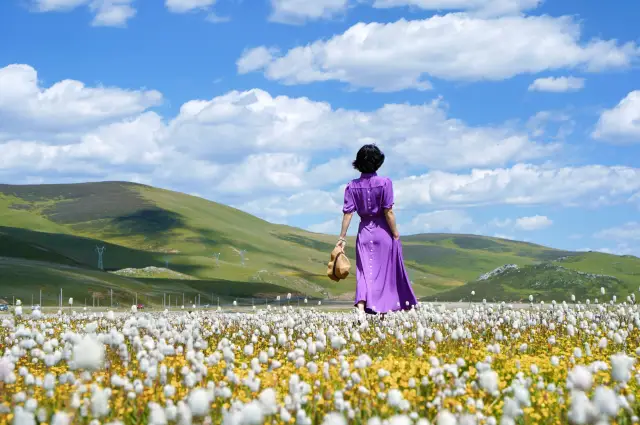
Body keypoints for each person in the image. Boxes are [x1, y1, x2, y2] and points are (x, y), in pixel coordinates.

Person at [336, 144, 417, 321]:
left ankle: (360, 308)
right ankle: (382, 311)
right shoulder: (385, 183)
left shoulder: (351, 186)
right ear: (377, 162)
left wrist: (342, 238)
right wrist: (395, 233)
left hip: (364, 232)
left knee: (364, 272)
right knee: (385, 274)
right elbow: (388, 211)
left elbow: (348, 213)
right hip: (383, 233)